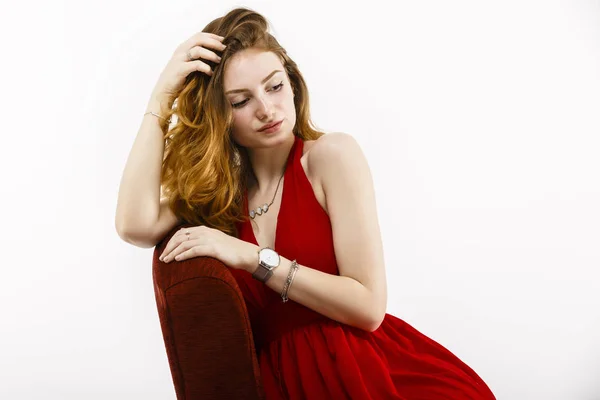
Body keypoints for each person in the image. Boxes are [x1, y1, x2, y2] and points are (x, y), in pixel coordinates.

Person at [116, 6, 497, 399]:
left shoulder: (331, 157)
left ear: (293, 82)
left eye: (275, 86)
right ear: (220, 116)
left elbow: (368, 308)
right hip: (283, 384)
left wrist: (252, 257)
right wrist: (161, 99)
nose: (266, 109)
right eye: (240, 101)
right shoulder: (218, 195)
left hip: (369, 375)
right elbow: (134, 225)